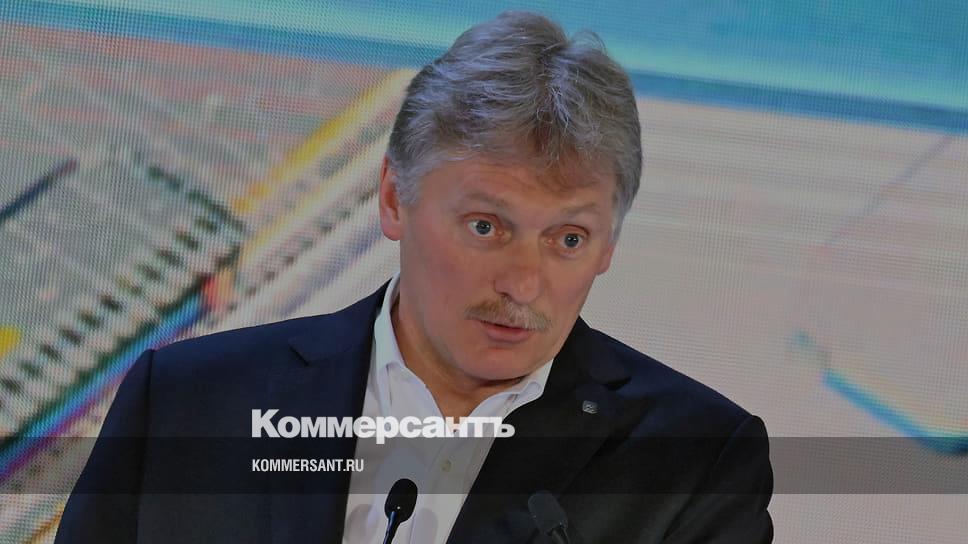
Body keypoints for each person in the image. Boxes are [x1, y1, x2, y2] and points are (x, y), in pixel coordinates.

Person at [55, 11, 772, 543]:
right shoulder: (187, 403)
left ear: (609, 245)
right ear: (395, 199)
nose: (523, 285)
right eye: (486, 227)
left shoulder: (694, 461)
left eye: (568, 239)